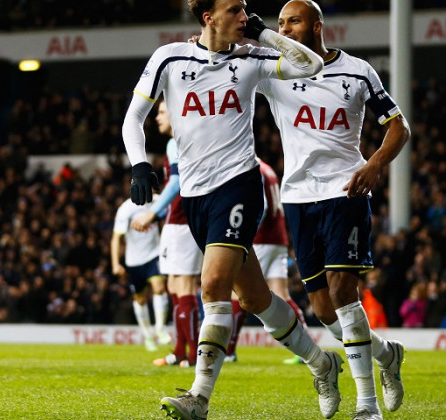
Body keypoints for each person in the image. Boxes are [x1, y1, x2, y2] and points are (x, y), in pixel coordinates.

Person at [121, 1, 343, 419]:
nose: (246, 15)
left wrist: (263, 34)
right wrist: (138, 162)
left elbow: (311, 64)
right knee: (256, 299)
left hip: (238, 185)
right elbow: (133, 118)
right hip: (195, 196)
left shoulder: (253, 58)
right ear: (209, 17)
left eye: (245, 9)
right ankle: (322, 363)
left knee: (212, 286)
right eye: (236, 9)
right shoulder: (169, 57)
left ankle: (198, 397)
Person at [256, 2, 411, 418]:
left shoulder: (358, 71)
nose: (285, 28)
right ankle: (385, 355)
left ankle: (366, 404)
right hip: (298, 197)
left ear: (317, 26)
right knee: (324, 311)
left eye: (295, 21)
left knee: (344, 291)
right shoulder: (273, 70)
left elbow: (399, 126)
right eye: (281, 22)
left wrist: (374, 164)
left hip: (346, 189)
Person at [131, 100, 204, 368]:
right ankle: (180, 351)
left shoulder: (177, 143)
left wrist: (154, 212)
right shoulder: (190, 142)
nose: (158, 117)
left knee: (183, 287)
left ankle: (194, 355)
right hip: (185, 220)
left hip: (181, 222)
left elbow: (178, 181)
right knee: (175, 286)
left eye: (162, 112)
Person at [224, 157, 309, 365]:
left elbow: (258, 204)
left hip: (260, 238)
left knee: (238, 294)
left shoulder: (250, 167)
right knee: (282, 293)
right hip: (278, 238)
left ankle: (229, 350)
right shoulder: (268, 168)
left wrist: (247, 231)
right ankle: (305, 344)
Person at [111, 195, 171, 352]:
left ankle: (160, 327)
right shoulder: (126, 209)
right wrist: (115, 264)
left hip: (154, 254)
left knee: (159, 287)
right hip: (134, 261)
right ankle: (147, 335)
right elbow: (116, 238)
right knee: (140, 299)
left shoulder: (159, 200)